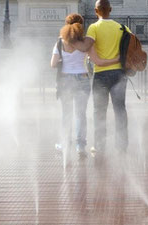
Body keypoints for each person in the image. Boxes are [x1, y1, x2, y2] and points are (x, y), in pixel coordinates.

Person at [50, 13, 119, 157]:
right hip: (82, 78)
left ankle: (64, 144)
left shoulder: (60, 42)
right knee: (80, 114)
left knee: (66, 114)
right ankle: (80, 146)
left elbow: (53, 64)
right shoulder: (85, 44)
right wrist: (117, 59)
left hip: (65, 80)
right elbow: (97, 61)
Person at [74, 0, 131, 154]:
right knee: (120, 110)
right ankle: (122, 145)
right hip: (119, 73)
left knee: (99, 111)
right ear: (110, 10)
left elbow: (86, 46)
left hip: (101, 74)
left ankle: (99, 145)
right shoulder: (122, 28)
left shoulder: (94, 27)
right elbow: (132, 48)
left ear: (96, 11)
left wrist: (70, 40)